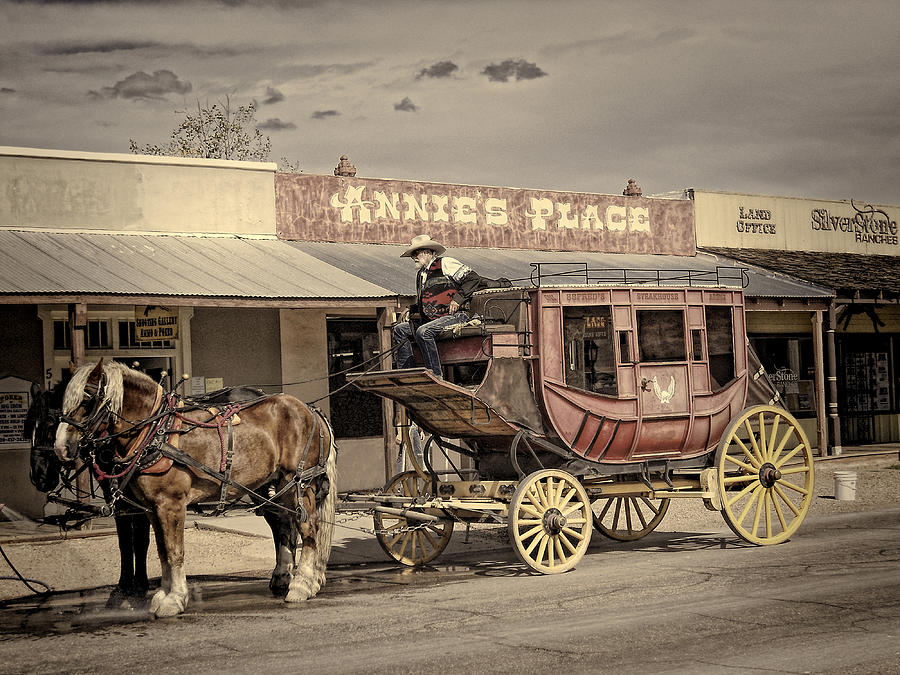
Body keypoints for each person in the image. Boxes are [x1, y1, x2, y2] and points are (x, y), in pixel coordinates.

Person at [392, 234, 485, 378]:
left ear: (428, 252)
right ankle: (407, 374)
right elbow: (431, 299)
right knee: (400, 330)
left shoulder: (446, 263)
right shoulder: (421, 274)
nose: (414, 257)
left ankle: (435, 374)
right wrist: (411, 310)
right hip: (433, 320)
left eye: (416, 253)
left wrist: (458, 299)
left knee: (424, 332)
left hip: (456, 316)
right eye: (412, 255)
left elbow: (473, 279)